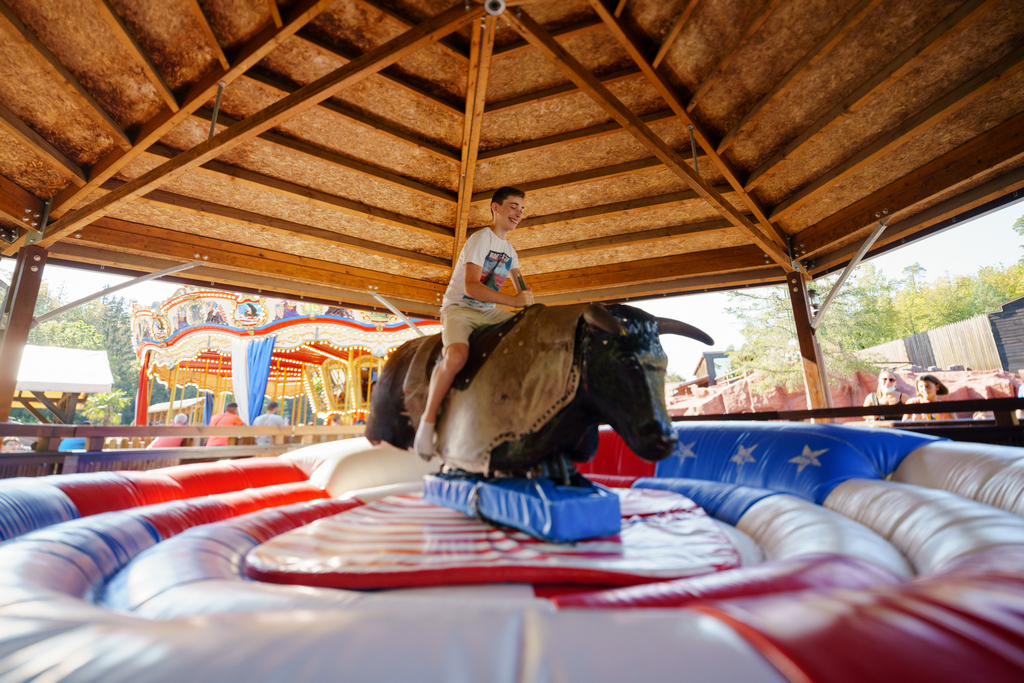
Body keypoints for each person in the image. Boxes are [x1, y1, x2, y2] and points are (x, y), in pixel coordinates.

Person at [414, 186, 534, 458]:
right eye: (513, 206)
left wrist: (531, 307)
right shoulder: (480, 240)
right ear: (496, 207)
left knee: (531, 332)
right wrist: (515, 302)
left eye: (522, 209)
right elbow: (470, 287)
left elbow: (522, 287)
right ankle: (427, 421)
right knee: (457, 356)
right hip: (460, 308)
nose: (518, 213)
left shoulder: (511, 252)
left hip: (488, 311)